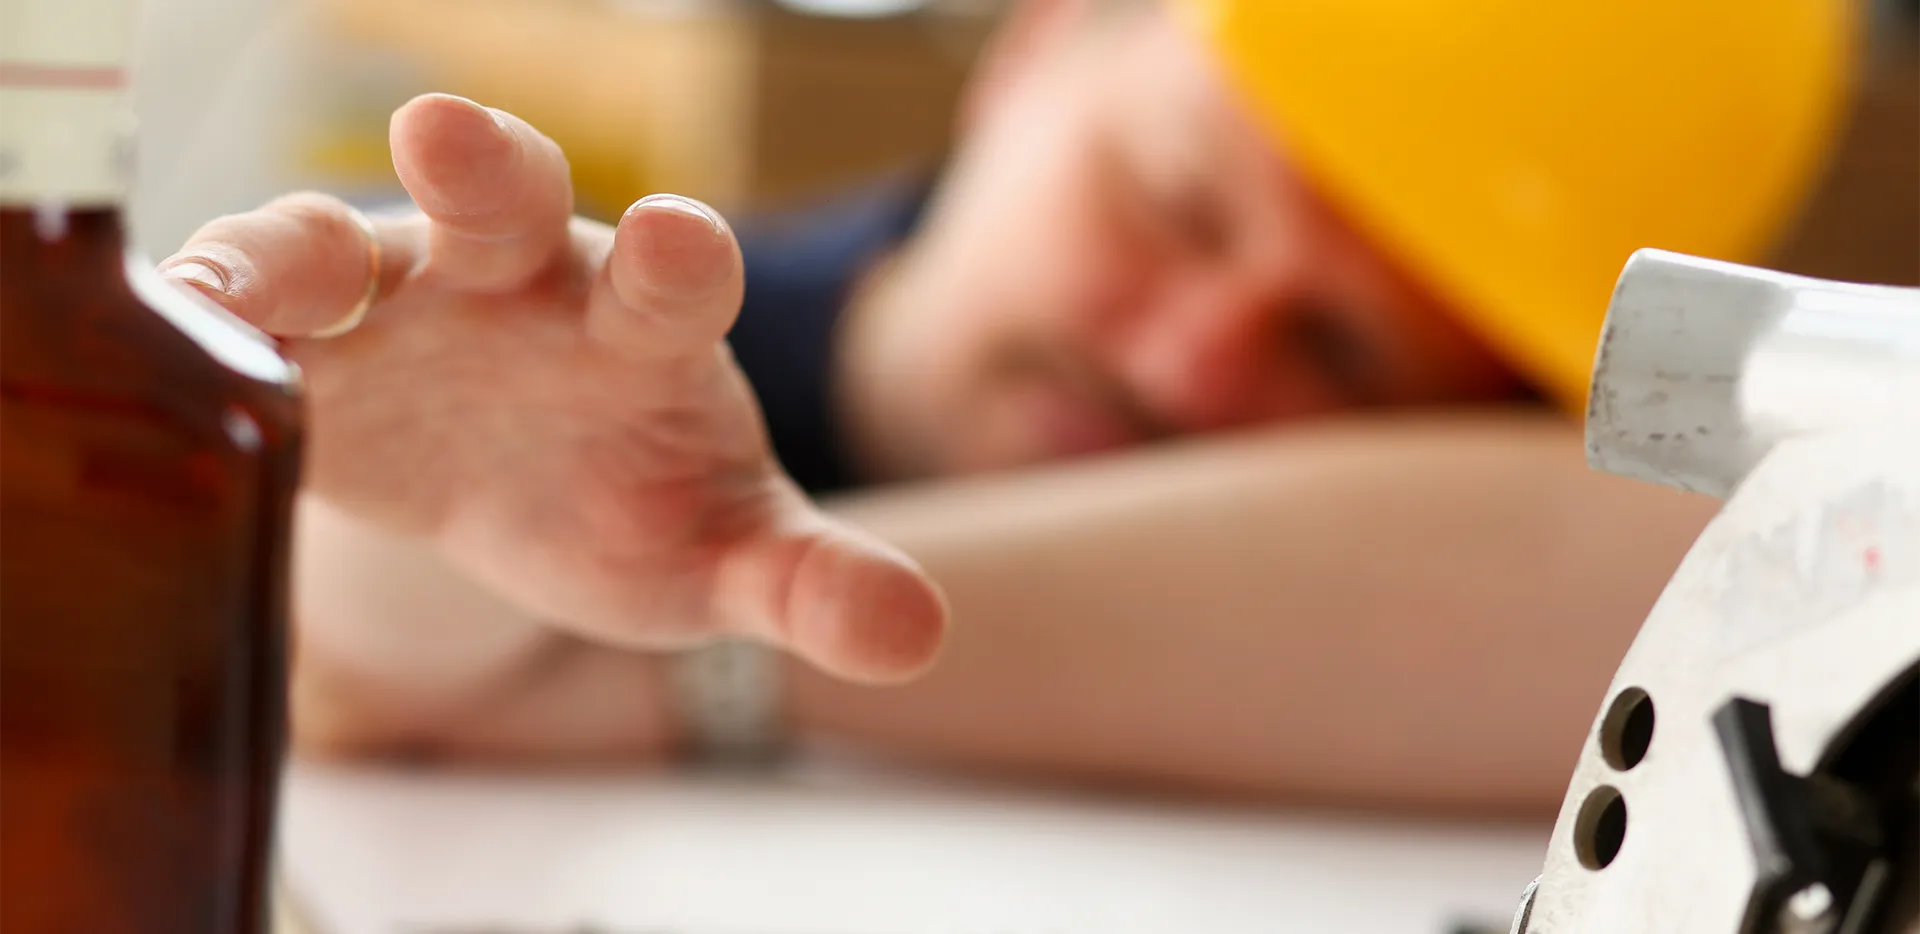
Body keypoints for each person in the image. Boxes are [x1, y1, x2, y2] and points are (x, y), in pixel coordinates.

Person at [157, 0, 1856, 814]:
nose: (1190, 358)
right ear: (1043, 45)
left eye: (1342, 351)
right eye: (1179, 202)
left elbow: (1722, 570)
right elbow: (361, 652)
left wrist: (674, 672)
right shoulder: (620, 341)